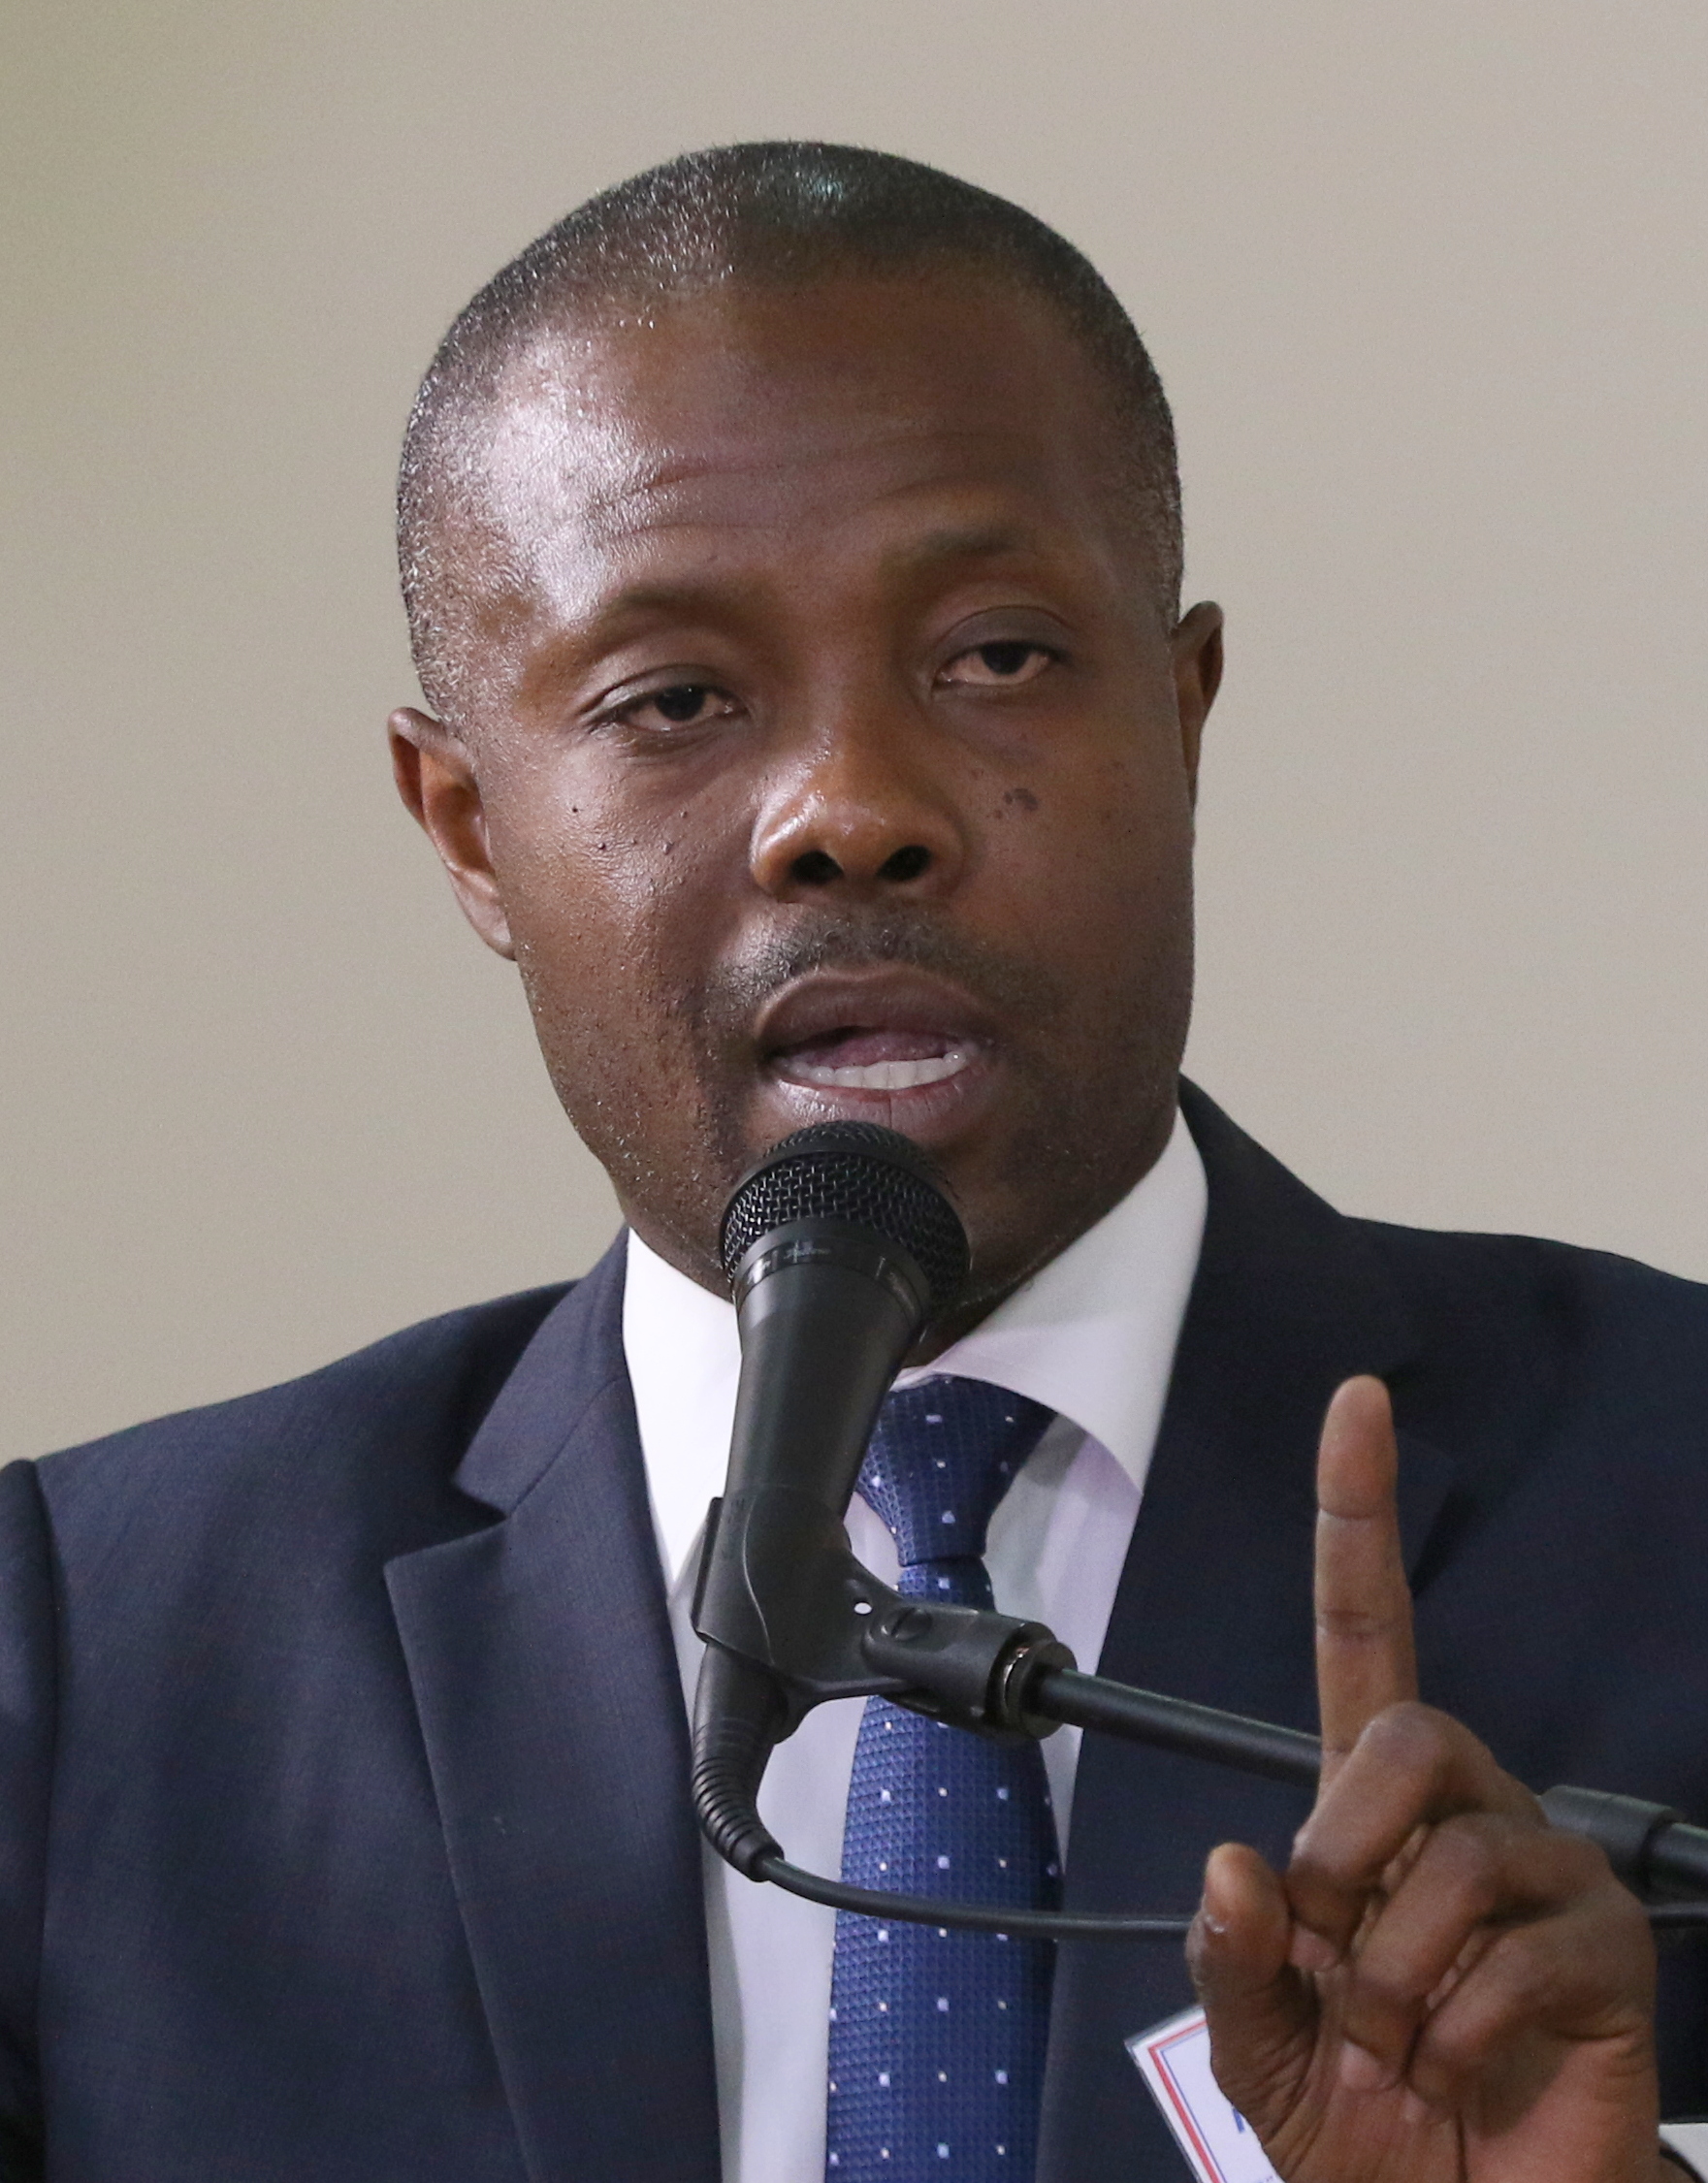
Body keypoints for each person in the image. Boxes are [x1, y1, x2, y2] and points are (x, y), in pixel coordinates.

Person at [2, 142, 1705, 2183]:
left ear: (1179, 715)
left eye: (994, 657)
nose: (850, 807)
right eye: (672, 698)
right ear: (467, 831)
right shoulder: (91, 1654)